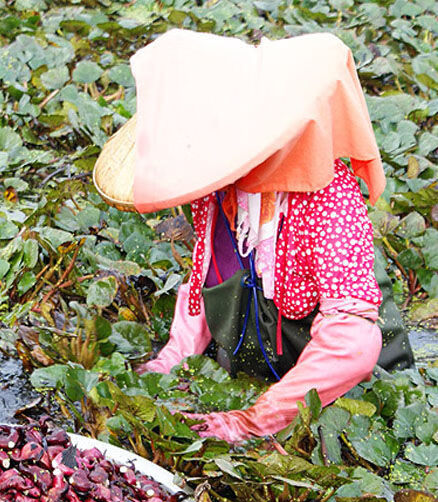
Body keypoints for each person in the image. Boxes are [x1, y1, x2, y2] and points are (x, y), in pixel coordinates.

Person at [92, 29, 413, 443]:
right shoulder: (216, 183)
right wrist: (172, 360)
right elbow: (204, 270)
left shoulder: (327, 196)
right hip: (257, 359)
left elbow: (351, 344)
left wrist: (254, 420)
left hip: (342, 396)